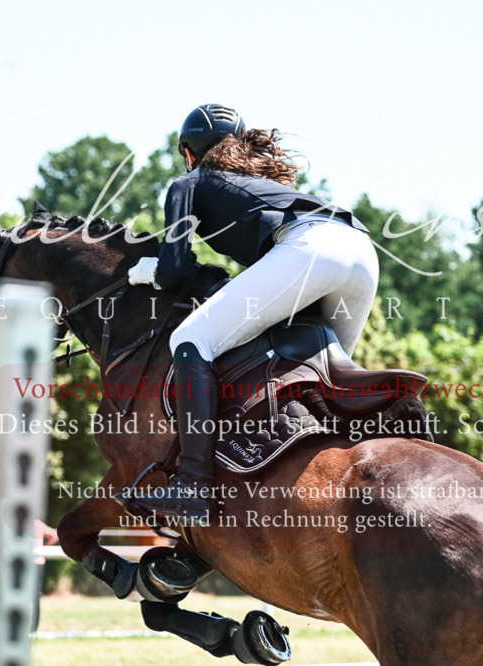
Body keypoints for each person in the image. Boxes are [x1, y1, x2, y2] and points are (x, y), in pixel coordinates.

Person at [130, 104, 378, 526]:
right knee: (325, 376)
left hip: (312, 250)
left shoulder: (188, 182)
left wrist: (147, 271)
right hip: (362, 253)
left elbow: (172, 268)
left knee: (190, 341)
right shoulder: (255, 183)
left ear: (189, 153)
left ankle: (193, 485)